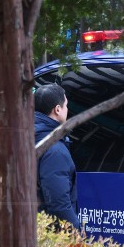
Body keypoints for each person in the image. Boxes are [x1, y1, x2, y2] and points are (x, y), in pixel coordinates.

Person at [35, 84, 81, 231]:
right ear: (58, 109)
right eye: (66, 105)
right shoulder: (55, 150)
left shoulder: (23, 138)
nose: (68, 110)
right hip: (49, 234)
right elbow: (58, 203)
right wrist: (77, 234)